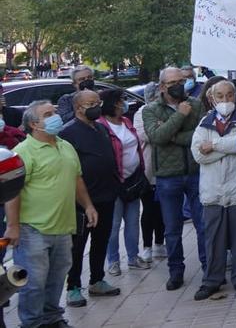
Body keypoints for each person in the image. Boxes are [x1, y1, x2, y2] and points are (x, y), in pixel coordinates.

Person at [5, 102, 98, 328]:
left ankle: (52, 318)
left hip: (63, 226)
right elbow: (11, 191)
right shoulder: (24, 152)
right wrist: (13, 225)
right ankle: (32, 323)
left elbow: (76, 179)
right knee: (34, 283)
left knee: (56, 279)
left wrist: (88, 206)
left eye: (54, 112)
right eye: (48, 115)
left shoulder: (65, 146)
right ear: (34, 124)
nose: (55, 116)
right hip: (32, 229)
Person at [142, 66, 206, 290]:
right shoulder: (150, 110)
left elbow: (200, 136)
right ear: (162, 87)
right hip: (168, 177)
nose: (180, 85)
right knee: (172, 228)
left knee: (203, 224)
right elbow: (157, 137)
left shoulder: (197, 104)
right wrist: (180, 115)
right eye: (173, 83)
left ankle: (209, 270)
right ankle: (176, 271)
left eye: (183, 80)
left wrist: (172, 135)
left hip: (196, 172)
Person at [59, 89, 122, 306]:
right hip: (82, 200)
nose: (98, 105)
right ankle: (73, 286)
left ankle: (97, 280)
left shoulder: (101, 127)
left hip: (106, 195)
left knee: (101, 240)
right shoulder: (68, 133)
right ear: (78, 108)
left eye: (98, 101)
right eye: (91, 103)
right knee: (77, 246)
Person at [190, 79, 236, 300]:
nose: (225, 100)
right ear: (211, 99)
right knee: (213, 239)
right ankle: (212, 280)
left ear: (235, 96)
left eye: (229, 95)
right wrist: (230, 147)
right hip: (212, 192)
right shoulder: (204, 123)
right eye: (220, 96)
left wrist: (214, 146)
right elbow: (197, 155)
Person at [100, 90, 150, 279]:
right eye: (121, 101)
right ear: (112, 104)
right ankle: (112, 261)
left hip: (133, 180)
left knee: (132, 221)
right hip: (114, 183)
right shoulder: (102, 126)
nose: (124, 104)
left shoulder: (126, 122)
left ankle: (133, 256)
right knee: (113, 225)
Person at [132, 89, 165, 263]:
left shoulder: (168, 111)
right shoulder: (141, 113)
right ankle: (147, 246)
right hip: (149, 170)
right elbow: (148, 135)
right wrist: (166, 128)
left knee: (162, 210)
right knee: (149, 209)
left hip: (167, 168)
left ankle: (160, 243)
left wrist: (163, 126)